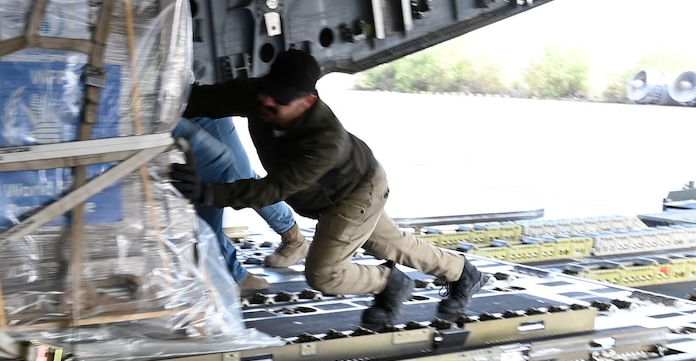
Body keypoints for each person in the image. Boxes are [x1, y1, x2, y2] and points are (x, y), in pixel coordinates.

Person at [75, 0, 308, 290]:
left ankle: (291, 234)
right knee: (219, 170)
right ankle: (228, 273)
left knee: (234, 159)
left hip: (183, 94)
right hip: (148, 110)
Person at [171, 49, 487, 331]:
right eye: (267, 92)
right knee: (391, 244)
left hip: (354, 195)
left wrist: (210, 193)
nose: (268, 101)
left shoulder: (324, 141)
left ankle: (389, 282)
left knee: (324, 275)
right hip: (336, 188)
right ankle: (464, 272)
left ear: (307, 101)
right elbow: (202, 100)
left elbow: (272, 188)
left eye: (280, 99)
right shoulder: (261, 97)